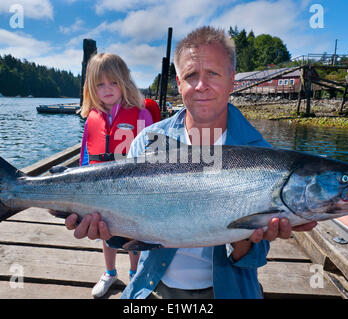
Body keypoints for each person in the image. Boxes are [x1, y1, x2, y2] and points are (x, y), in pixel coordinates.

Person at [65, 26, 317, 299]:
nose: (201, 85)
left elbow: (250, 258)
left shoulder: (262, 156)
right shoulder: (148, 141)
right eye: (191, 75)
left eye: (213, 73)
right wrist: (107, 230)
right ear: (178, 83)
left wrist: (247, 238)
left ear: (232, 79)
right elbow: (127, 237)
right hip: (152, 287)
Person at [77, 52, 153, 298]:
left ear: (124, 82)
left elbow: (152, 156)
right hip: (99, 189)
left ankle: (134, 275)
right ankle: (110, 272)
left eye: (113, 82)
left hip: (133, 191)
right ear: (91, 87)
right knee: (104, 230)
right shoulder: (91, 119)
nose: (107, 89)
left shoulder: (141, 114)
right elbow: (85, 155)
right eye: (100, 84)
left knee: (132, 234)